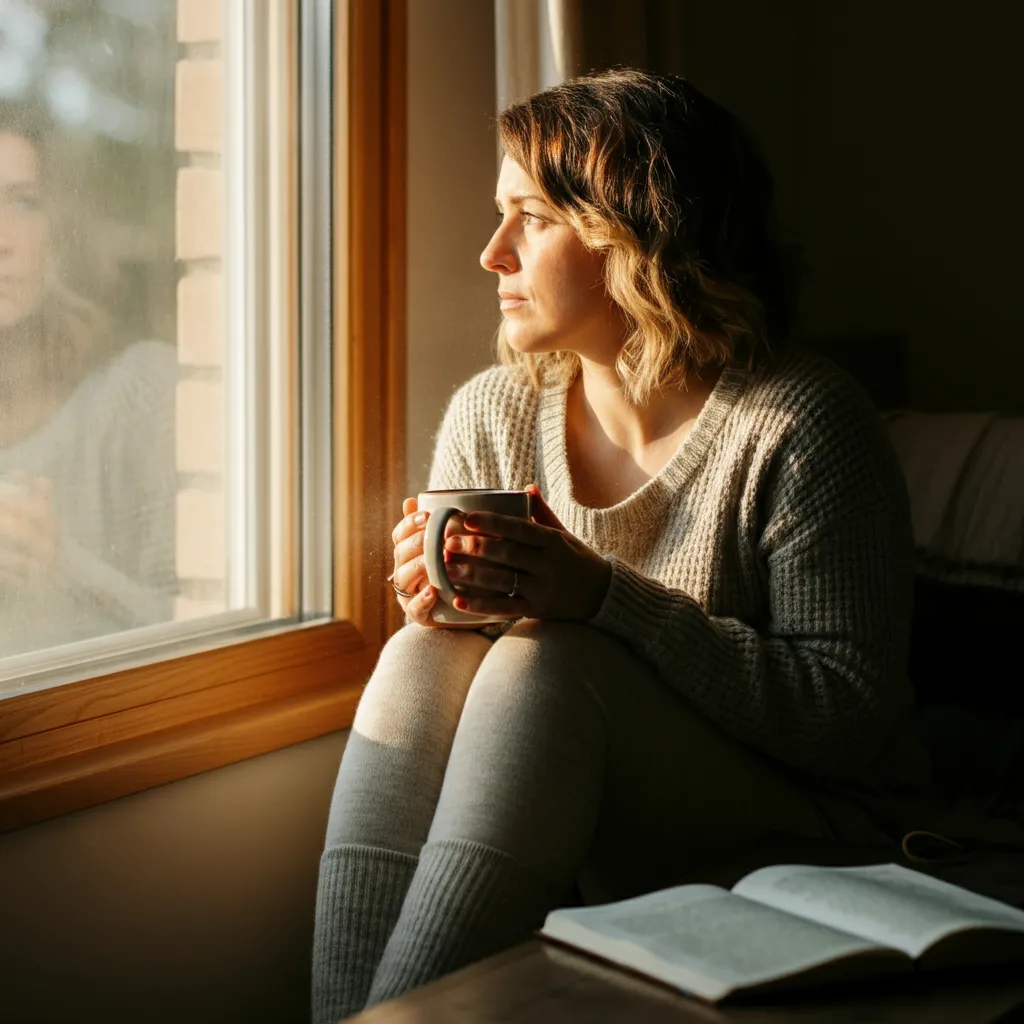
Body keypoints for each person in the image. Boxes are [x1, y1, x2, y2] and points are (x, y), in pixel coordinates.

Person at [312, 68, 934, 1020]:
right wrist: (447, 602)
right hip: (571, 793)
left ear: (634, 232)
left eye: (531, 217)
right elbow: (483, 675)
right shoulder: (496, 412)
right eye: (498, 214)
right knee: (416, 657)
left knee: (546, 667)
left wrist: (602, 599)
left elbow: (847, 720)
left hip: (807, 817)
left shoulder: (801, 424)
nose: (491, 254)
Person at [0, 100, 177, 659]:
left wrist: (58, 566)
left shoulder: (141, 390)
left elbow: (207, 633)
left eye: (24, 203)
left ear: (64, 225)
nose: (0, 236)